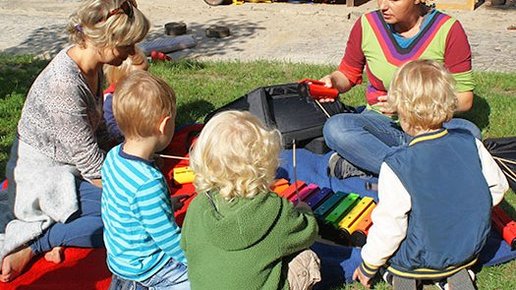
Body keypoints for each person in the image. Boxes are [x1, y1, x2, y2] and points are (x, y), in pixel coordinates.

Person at [0, 0, 150, 282]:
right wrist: (137, 188)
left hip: (69, 169)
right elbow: (93, 168)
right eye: (127, 45)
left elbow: (98, 133)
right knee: (125, 220)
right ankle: (36, 243)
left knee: (131, 208)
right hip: (44, 177)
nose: (131, 53)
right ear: (106, 40)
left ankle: (62, 230)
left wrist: (137, 146)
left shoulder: (92, 66)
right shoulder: (64, 85)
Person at [352, 60, 509, 288]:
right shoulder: (470, 142)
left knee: (389, 249)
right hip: (468, 246)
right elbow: (498, 188)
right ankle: (455, 274)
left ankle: (402, 277)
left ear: (401, 111)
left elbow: (390, 226)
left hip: (421, 256)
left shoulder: (398, 164)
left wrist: (368, 265)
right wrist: (466, 210)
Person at [321, 0, 480, 179]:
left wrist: (408, 105)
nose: (383, 6)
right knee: (337, 128)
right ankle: (421, 171)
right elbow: (347, 73)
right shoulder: (367, 25)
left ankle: (378, 165)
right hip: (381, 122)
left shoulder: (448, 29)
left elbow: (464, 99)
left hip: (432, 125)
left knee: (470, 133)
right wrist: (333, 81)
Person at [181, 110, 321, 290]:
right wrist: (304, 211)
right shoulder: (274, 208)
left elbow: (185, 245)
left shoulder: (198, 205)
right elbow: (308, 233)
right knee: (306, 258)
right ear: (267, 164)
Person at [101, 71, 190, 289]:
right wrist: (195, 260)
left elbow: (124, 204)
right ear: (165, 125)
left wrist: (164, 205)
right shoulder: (148, 182)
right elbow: (167, 238)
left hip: (120, 258)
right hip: (149, 267)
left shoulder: (113, 156)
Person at [103, 46, 149, 142]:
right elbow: (110, 127)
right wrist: (131, 138)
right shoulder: (110, 100)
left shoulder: (141, 92)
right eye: (138, 77)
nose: (145, 79)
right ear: (119, 79)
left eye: (146, 72)